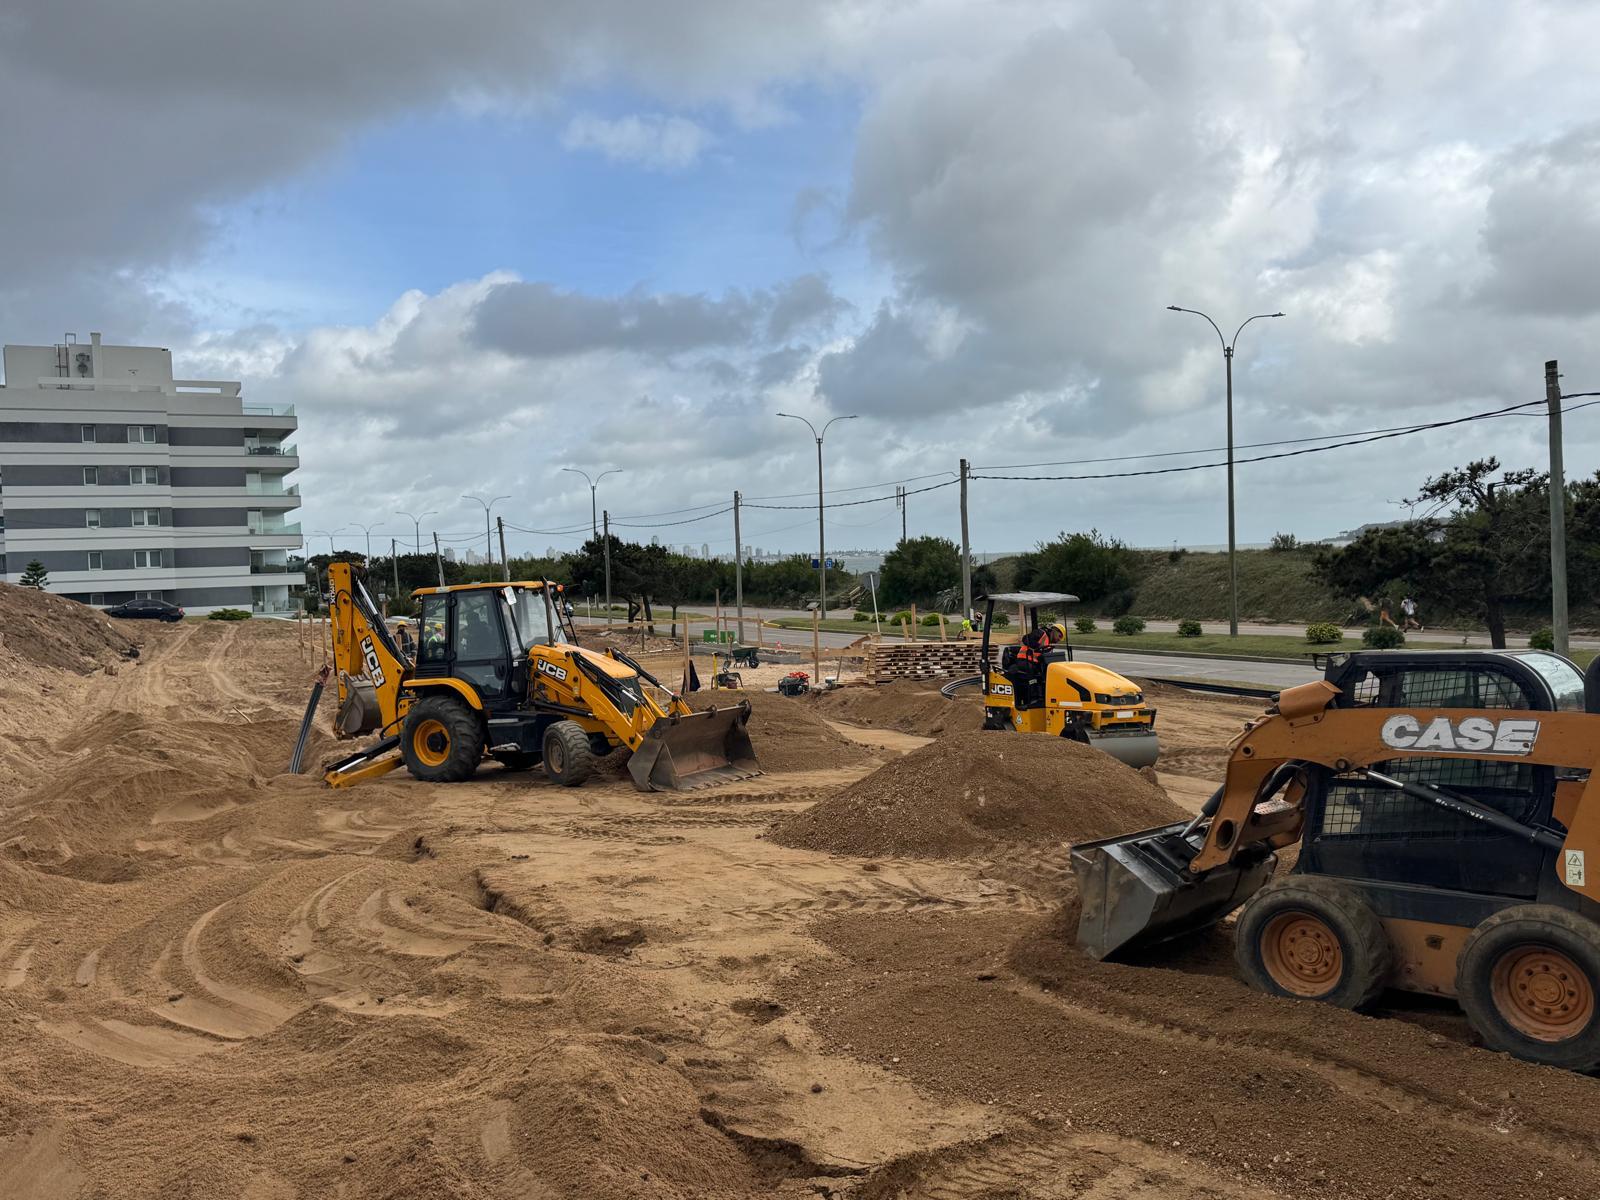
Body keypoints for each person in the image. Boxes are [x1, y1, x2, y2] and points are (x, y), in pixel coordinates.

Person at [1005, 621, 1065, 710]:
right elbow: (1025, 639)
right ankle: (1034, 699)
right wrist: (1036, 645)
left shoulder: (1049, 643)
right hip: (1023, 661)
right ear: (1055, 631)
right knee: (1035, 676)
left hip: (1033, 663)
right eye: (1059, 636)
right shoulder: (1041, 633)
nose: (1059, 640)